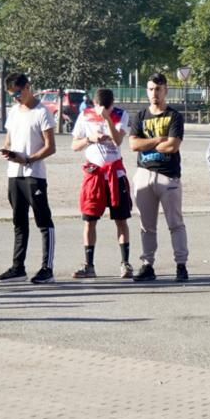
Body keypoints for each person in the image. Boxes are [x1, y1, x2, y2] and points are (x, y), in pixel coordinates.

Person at [0, 74, 58, 284]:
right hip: (14, 174)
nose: (16, 99)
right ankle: (17, 266)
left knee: (43, 220)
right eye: (13, 95)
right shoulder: (14, 112)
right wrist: (9, 152)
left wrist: (28, 159)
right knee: (19, 221)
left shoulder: (42, 112)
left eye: (19, 93)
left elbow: (51, 147)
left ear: (28, 87)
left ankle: (47, 268)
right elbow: (10, 139)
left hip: (34, 174)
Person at [129, 73, 189, 283]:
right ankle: (147, 264)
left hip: (168, 176)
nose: (154, 93)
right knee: (147, 225)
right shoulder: (140, 116)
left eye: (158, 89)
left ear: (166, 91)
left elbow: (172, 146)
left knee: (175, 222)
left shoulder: (174, 116)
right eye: (151, 89)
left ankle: (181, 264)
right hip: (144, 174)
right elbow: (133, 145)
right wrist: (158, 140)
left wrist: (149, 143)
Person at [72, 88, 134, 279]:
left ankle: (125, 263)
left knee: (121, 219)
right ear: (95, 104)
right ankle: (89, 264)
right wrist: (90, 139)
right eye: (101, 107)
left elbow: (118, 141)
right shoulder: (85, 115)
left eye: (108, 107)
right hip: (94, 173)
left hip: (115, 173)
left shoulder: (120, 115)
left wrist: (107, 119)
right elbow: (74, 145)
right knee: (89, 220)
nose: (103, 110)